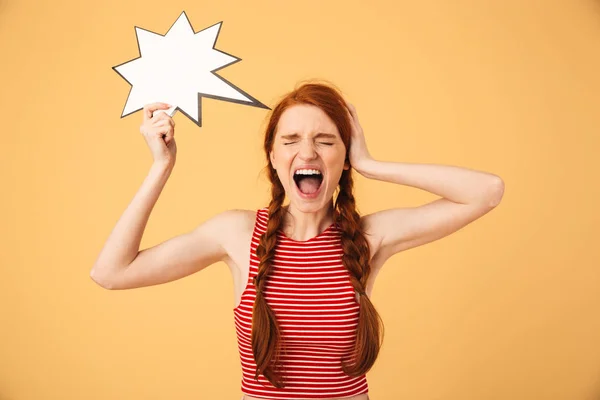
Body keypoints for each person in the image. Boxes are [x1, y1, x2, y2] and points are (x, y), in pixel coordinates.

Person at [91, 82, 504, 400]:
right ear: (272, 156)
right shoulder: (236, 234)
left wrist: (371, 165)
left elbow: (487, 191)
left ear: (344, 158)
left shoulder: (368, 238)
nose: (307, 152)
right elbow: (111, 272)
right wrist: (161, 167)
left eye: (325, 141)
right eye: (290, 141)